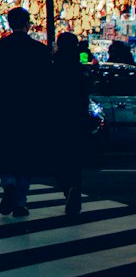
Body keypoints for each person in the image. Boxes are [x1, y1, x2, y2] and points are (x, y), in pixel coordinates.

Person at [0, 5, 50, 218]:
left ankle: (8, 183)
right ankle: (20, 200)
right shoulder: (40, 51)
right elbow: (47, 85)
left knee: (7, 151)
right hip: (30, 112)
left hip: (4, 110)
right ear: (28, 24)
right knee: (26, 156)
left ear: (9, 24)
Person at [50, 32, 89, 221]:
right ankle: (75, 192)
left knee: (57, 160)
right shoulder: (80, 69)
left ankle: (68, 189)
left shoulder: (53, 67)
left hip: (57, 119)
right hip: (76, 120)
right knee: (75, 160)